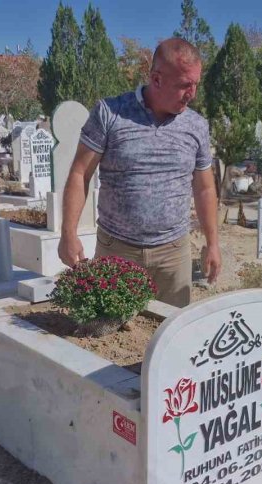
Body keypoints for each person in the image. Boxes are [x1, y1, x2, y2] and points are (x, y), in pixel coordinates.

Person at [58, 38, 221, 308]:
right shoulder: (110, 113)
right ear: (156, 79)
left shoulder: (196, 125)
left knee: (171, 337)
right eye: (184, 84)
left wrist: (212, 243)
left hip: (173, 255)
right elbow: (79, 174)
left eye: (196, 84)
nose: (192, 93)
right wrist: (68, 233)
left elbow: (204, 188)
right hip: (117, 251)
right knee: (110, 338)